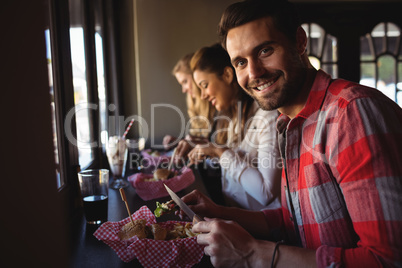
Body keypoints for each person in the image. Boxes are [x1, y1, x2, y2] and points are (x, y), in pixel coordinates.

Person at [177, 0, 402, 267]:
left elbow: (387, 259)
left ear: (299, 41)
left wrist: (252, 252)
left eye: (265, 50)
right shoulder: (289, 122)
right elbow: (294, 220)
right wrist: (219, 213)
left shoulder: (351, 114)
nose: (254, 73)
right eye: (240, 62)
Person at [186, 43, 282, 211]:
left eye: (205, 85)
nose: (203, 95)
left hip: (266, 231)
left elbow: (265, 193)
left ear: (228, 75)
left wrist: (220, 152)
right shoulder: (231, 117)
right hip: (236, 219)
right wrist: (201, 146)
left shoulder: (267, 116)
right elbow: (234, 162)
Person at [163, 53, 216, 151]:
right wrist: (179, 142)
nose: (184, 90)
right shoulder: (196, 108)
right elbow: (201, 142)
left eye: (185, 82)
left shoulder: (217, 105)